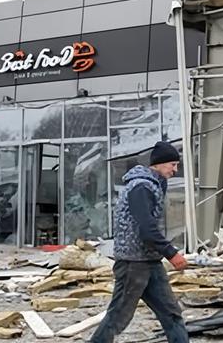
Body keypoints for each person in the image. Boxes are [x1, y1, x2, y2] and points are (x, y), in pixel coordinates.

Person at [90, 141, 189, 343]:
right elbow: (146, 228)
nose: (175, 170)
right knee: (117, 316)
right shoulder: (141, 187)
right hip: (133, 263)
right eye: (173, 165)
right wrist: (171, 252)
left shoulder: (152, 185)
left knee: (171, 314)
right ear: (159, 164)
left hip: (150, 261)